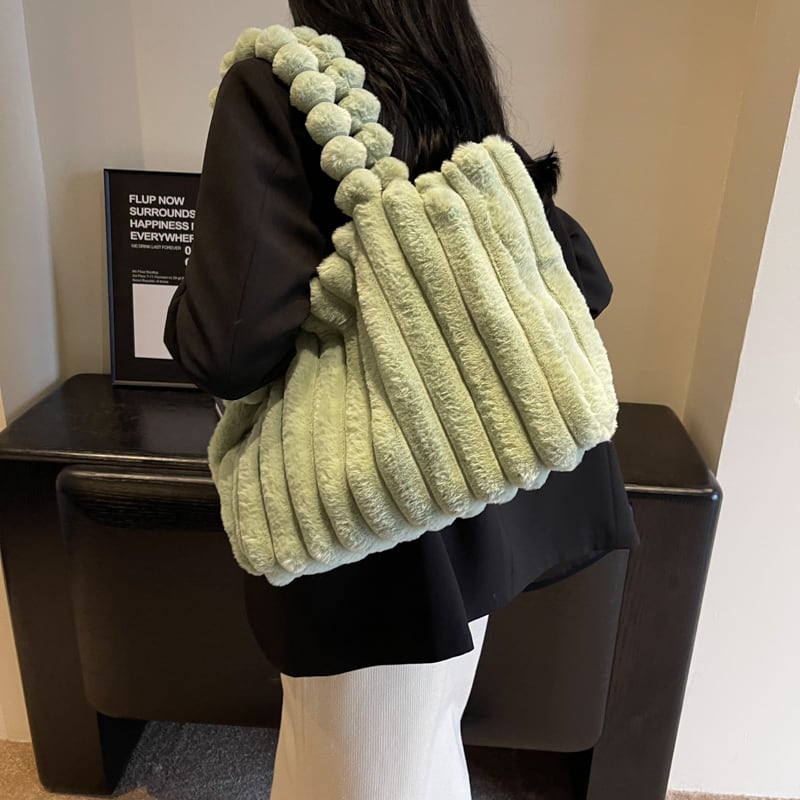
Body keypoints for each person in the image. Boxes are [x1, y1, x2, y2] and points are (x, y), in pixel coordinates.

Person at [164, 1, 640, 797]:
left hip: (363, 512)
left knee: (358, 766)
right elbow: (578, 278)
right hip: (470, 495)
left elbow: (225, 346)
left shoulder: (276, 84)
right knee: (416, 744)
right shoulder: (450, 74)